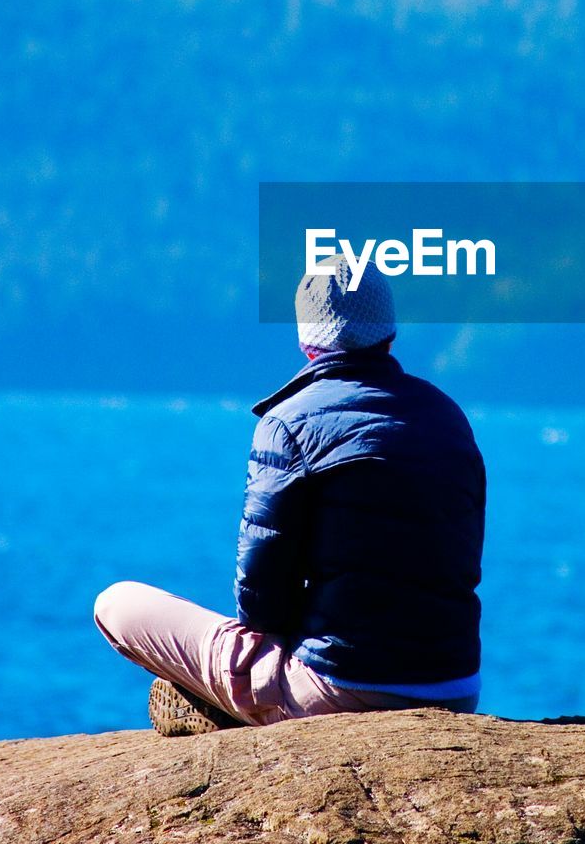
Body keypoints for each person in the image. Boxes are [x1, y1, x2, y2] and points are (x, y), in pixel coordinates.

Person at [94, 255, 486, 734]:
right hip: (455, 686)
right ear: (389, 331)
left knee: (116, 604)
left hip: (342, 690)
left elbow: (260, 606)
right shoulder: (448, 416)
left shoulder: (288, 424)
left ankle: (245, 703)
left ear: (307, 341)